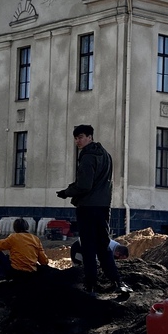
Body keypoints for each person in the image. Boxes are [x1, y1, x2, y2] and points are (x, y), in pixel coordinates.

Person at [57, 124, 131, 295]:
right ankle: (117, 282)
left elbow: (84, 185)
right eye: (76, 138)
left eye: (81, 137)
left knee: (89, 247)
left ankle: (91, 285)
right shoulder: (106, 155)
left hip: (88, 208)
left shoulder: (88, 157)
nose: (78, 141)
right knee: (103, 245)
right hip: (104, 207)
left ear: (90, 137)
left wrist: (67, 192)